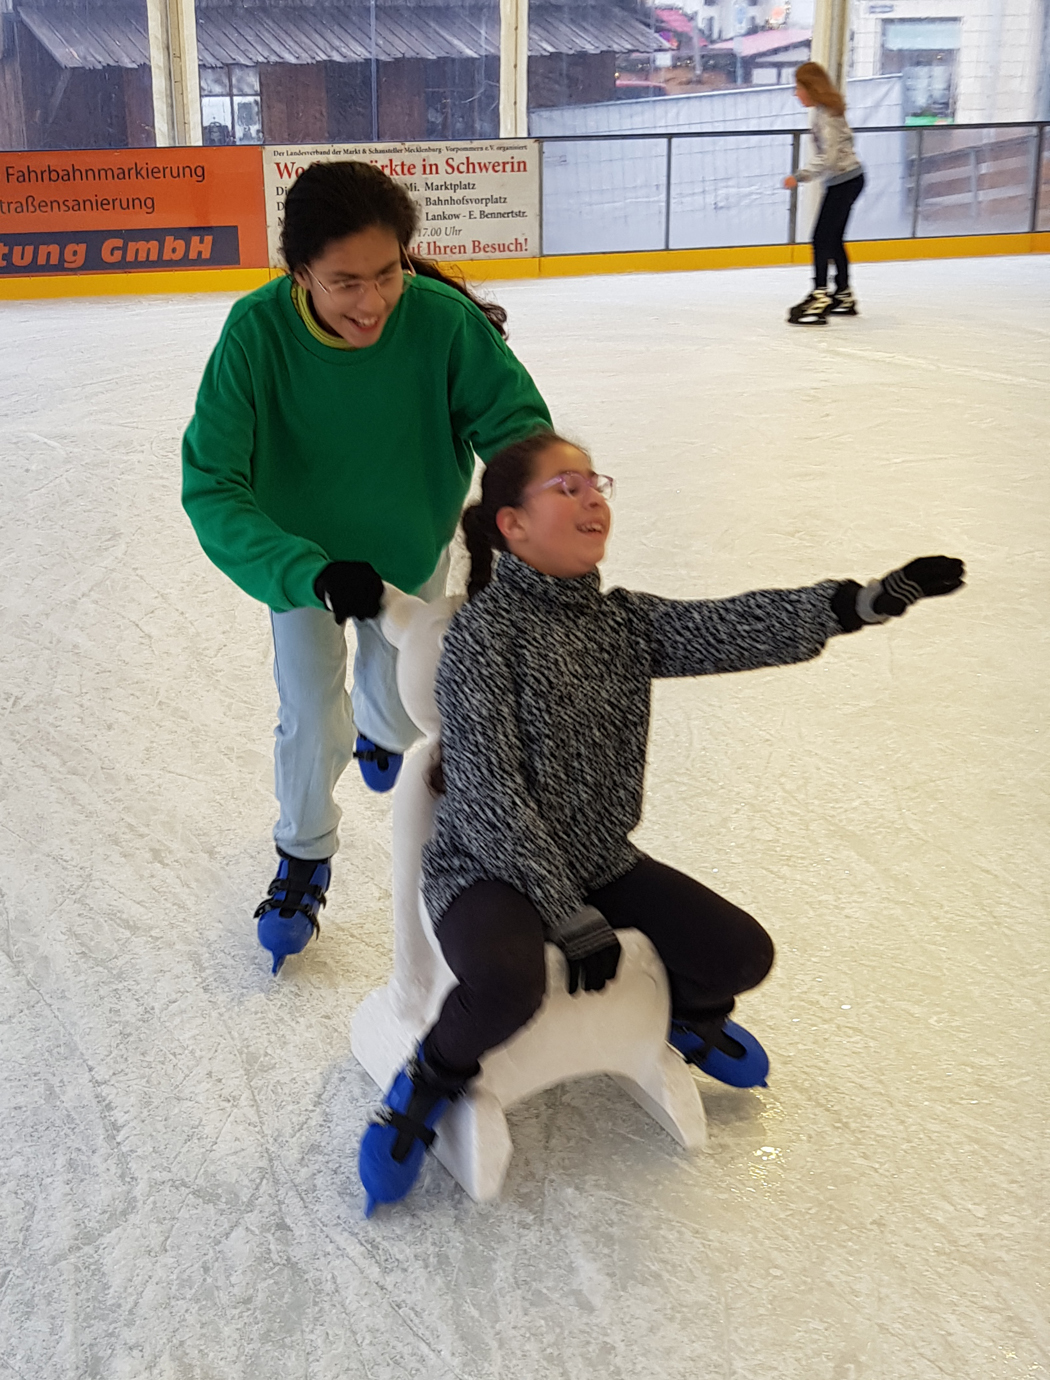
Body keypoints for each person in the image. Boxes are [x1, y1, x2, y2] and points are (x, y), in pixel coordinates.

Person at [357, 430, 965, 1213]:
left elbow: (731, 626)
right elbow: (489, 798)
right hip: (488, 867)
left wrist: (857, 604)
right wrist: (562, 909)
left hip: (597, 860)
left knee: (740, 955)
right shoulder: (483, 638)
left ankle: (685, 1019)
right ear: (513, 525)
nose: (592, 497)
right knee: (508, 983)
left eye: (594, 482)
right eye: (566, 487)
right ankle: (432, 1075)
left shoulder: (624, 623)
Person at [182, 162, 551, 975]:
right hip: (304, 571)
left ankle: (379, 736)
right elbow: (213, 485)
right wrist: (303, 571)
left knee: (402, 711)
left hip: (410, 557)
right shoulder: (255, 335)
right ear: (299, 272)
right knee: (311, 713)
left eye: (387, 274)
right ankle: (303, 854)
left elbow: (518, 431)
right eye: (345, 282)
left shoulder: (443, 323)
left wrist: (535, 518)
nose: (372, 301)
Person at [783, 61, 866, 325]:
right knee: (833, 239)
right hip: (848, 178)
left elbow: (828, 157)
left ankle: (820, 295)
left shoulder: (826, 115)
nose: (796, 94)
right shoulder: (825, 111)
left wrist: (800, 176)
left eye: (798, 88)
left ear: (811, 88)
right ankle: (842, 293)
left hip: (844, 180)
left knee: (821, 239)